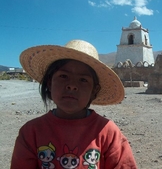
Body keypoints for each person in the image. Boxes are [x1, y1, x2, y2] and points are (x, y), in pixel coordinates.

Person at [11, 39, 137, 169]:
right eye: (63, 76)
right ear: (49, 83)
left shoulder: (108, 133)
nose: (72, 85)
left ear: (94, 90)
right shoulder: (31, 132)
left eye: (83, 80)